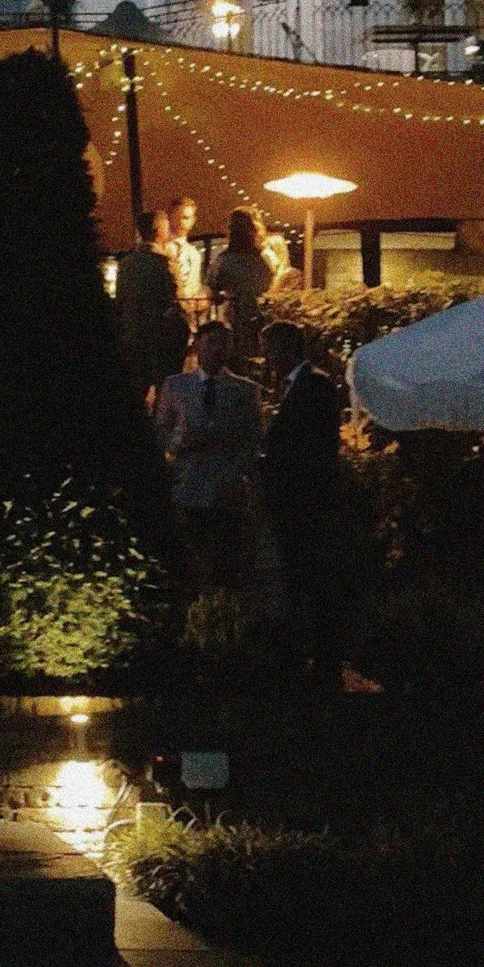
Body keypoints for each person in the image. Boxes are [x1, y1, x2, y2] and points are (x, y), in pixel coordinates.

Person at [261, 321, 349, 680]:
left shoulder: (313, 385)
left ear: (283, 350)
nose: (267, 360)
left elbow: (312, 443)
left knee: (310, 572)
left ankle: (320, 653)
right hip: (300, 496)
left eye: (269, 351)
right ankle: (311, 649)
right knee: (303, 573)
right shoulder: (303, 385)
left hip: (307, 498)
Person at [154, 322, 264, 591]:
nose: (218, 349)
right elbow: (160, 429)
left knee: (226, 556)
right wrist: (180, 444)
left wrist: (236, 471)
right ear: (198, 345)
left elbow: (254, 437)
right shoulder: (176, 386)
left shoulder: (245, 390)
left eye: (225, 343)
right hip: (187, 482)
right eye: (212, 342)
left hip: (226, 487)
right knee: (192, 551)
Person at [116, 210, 187, 391]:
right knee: (165, 387)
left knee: (138, 387)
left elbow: (121, 299)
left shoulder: (126, 263)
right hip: (160, 335)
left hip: (133, 333)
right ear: (159, 231)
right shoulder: (164, 262)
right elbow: (176, 297)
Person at [208, 209, 278, 356]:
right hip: (259, 318)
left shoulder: (223, 260)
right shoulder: (262, 260)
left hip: (234, 321)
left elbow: (212, 288)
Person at [168, 197, 207, 322]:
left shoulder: (194, 254)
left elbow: (196, 285)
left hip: (191, 317)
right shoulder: (162, 250)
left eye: (185, 218)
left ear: (193, 220)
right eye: (177, 217)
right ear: (169, 217)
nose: (181, 222)